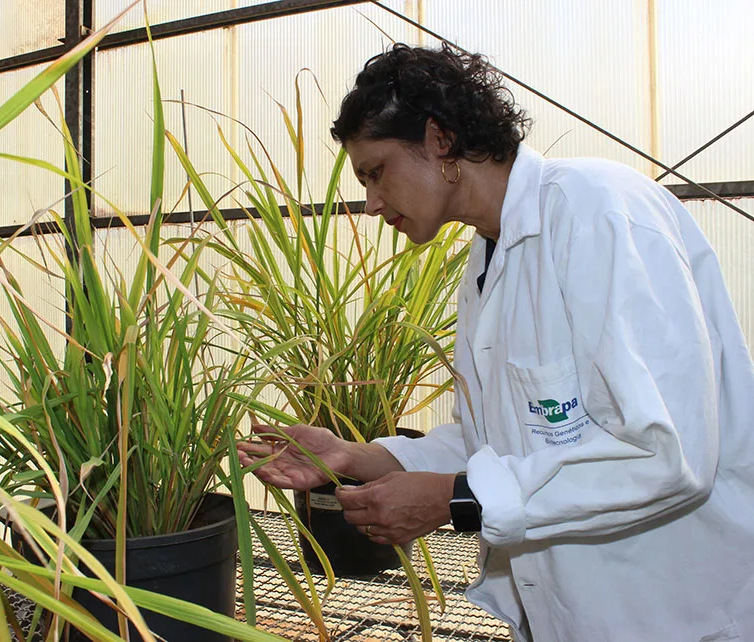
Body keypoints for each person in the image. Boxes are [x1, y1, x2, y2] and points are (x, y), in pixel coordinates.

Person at [237, 42, 754, 641]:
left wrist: (453, 501)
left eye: (376, 172)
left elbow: (665, 453)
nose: (372, 203)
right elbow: (501, 442)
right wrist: (357, 456)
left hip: (673, 612)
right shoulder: (488, 259)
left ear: (440, 139)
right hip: (574, 615)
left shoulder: (598, 212)